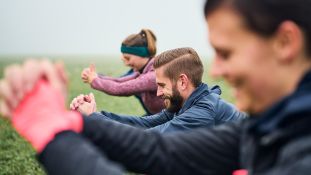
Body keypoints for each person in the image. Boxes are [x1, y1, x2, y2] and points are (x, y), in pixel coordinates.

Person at [1, 0, 311, 174]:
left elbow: (153, 142)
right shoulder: (270, 129)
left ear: (285, 43)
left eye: (226, 53)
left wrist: (50, 132)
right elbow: (157, 148)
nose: (216, 69)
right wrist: (76, 121)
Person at [70, 47, 245, 133]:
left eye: (161, 86)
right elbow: (142, 124)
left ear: (182, 82)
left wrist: (92, 120)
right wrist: (97, 116)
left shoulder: (202, 112)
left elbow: (148, 140)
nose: (159, 93)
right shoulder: (185, 103)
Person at [81, 29, 164, 115]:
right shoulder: (141, 71)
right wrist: (94, 76)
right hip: (156, 117)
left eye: (128, 58)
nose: (125, 63)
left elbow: (120, 88)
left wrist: (94, 80)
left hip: (170, 121)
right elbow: (119, 80)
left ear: (142, 55)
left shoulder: (154, 75)